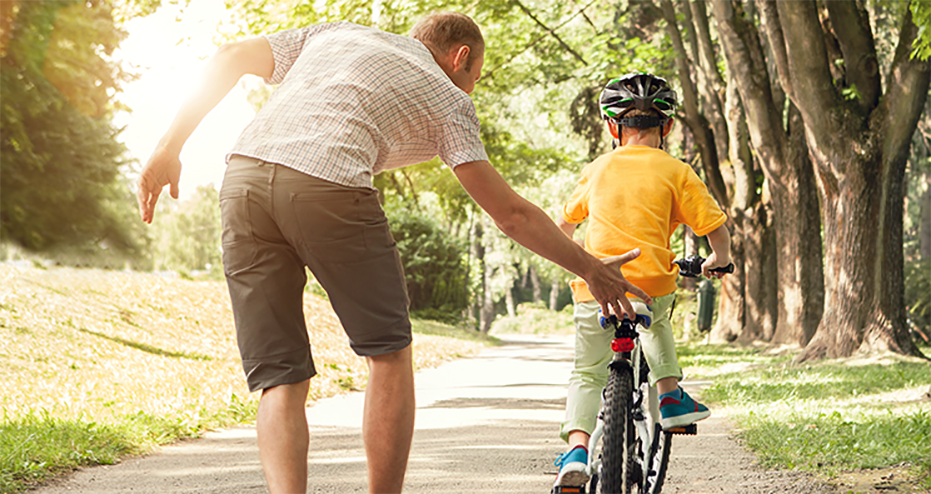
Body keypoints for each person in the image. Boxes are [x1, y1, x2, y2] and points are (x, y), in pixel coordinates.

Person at [136, 12, 653, 494]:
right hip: (329, 185)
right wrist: (589, 266)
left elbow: (229, 56)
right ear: (460, 57)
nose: (473, 86)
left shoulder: (332, 33)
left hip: (243, 180)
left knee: (280, 377)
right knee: (388, 354)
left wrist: (168, 146)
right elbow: (510, 214)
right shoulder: (450, 97)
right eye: (477, 74)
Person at [551, 73, 732, 489]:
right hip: (649, 282)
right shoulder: (677, 170)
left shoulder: (597, 168)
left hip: (594, 286)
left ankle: (577, 450)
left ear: (613, 128)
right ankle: (669, 395)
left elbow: (565, 224)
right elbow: (714, 228)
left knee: (586, 372)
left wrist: (575, 264)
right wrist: (717, 260)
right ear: (666, 127)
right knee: (659, 319)